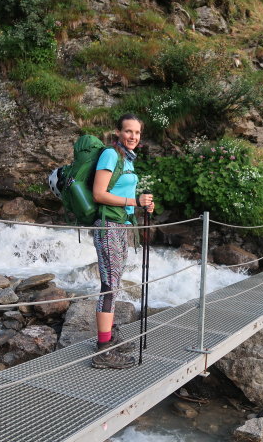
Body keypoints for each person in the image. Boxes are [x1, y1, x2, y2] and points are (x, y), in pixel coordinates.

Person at [91, 113, 154, 370]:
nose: (133, 137)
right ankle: (103, 350)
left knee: (115, 282)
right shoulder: (110, 155)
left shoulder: (127, 160)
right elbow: (99, 194)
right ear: (118, 132)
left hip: (121, 226)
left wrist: (143, 204)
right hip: (108, 226)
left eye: (137, 133)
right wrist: (134, 202)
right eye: (128, 132)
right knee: (109, 284)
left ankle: (111, 334)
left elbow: (121, 193)